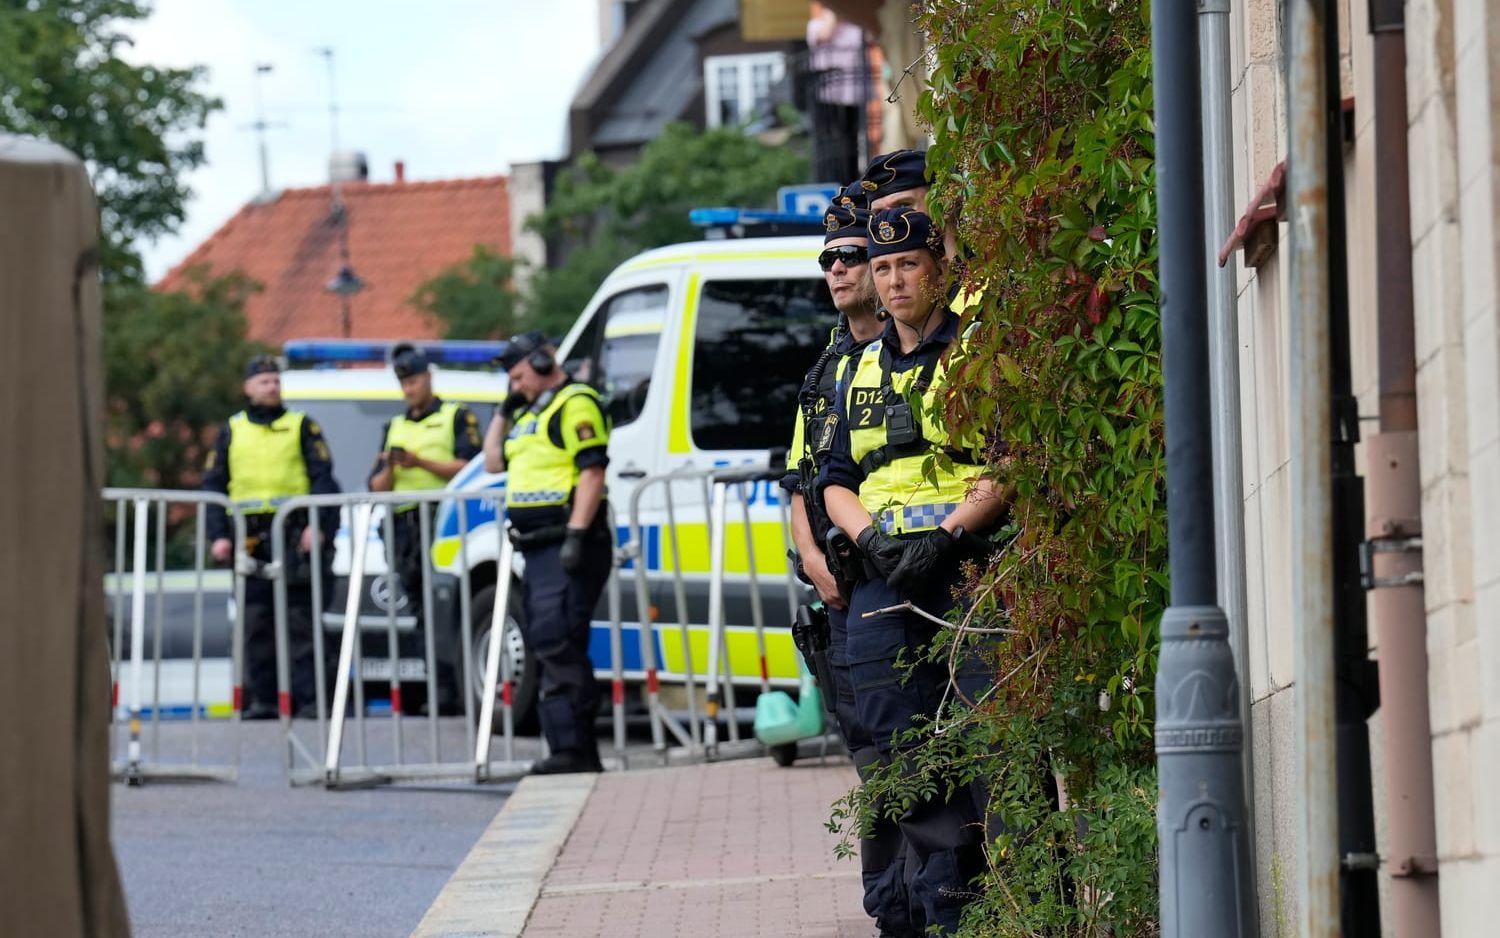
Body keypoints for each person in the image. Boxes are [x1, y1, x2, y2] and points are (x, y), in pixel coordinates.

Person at [817, 206, 1009, 933]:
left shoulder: (975, 352)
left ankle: (996, 906)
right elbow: (833, 478)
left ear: (938, 270)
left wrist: (950, 535)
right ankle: (945, 910)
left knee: (986, 743)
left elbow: (1008, 461)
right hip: (885, 576)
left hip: (964, 569)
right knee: (898, 753)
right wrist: (871, 540)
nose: (895, 281)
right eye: (884, 268)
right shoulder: (856, 368)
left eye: (909, 266)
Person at [783, 193, 919, 935]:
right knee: (875, 763)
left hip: (905, 578)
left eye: (849, 256)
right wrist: (811, 557)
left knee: (915, 756)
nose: (837, 269)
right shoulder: (824, 371)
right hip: (843, 593)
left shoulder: (908, 352)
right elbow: (800, 481)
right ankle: (891, 912)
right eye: (827, 259)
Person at [483, 331, 612, 774]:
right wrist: (504, 408)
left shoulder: (575, 402)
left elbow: (592, 471)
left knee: (558, 640)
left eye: (518, 376)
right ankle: (569, 749)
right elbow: (492, 462)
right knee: (546, 640)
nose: (515, 385)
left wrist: (577, 533)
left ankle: (574, 750)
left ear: (542, 361)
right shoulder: (530, 412)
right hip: (540, 548)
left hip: (568, 542)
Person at [203, 355, 340, 719]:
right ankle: (264, 699)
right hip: (249, 536)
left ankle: (310, 701)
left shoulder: (301, 426)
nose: (272, 386)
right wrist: (218, 536)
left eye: (275, 381)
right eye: (264, 381)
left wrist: (319, 525)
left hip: (294, 533)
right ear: (248, 388)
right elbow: (213, 485)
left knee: (302, 622)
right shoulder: (231, 430)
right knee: (255, 622)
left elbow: (324, 479)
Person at [368, 343, 482, 710]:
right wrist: (390, 466)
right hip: (405, 526)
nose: (408, 390)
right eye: (403, 383)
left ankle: (458, 687)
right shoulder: (395, 426)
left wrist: (420, 462)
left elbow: (469, 467)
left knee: (449, 603)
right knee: (420, 610)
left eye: (414, 381)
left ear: (428, 378)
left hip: (444, 519)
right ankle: (439, 689)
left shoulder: (455, 416)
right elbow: (375, 486)